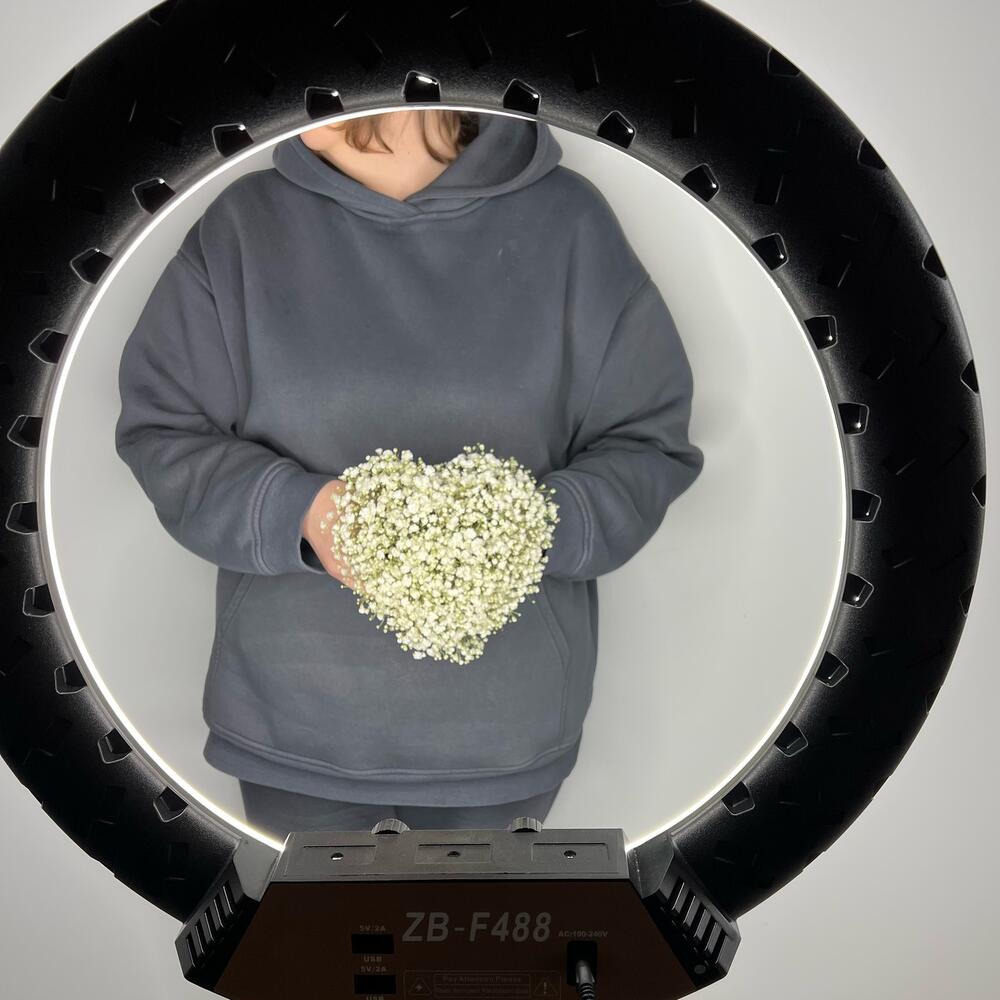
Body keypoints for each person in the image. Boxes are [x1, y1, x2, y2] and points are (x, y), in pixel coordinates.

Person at [114, 108, 704, 838]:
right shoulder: (243, 226)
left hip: (503, 736)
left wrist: (530, 526)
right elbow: (163, 428)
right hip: (291, 728)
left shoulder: (570, 224)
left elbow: (648, 441)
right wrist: (304, 514)